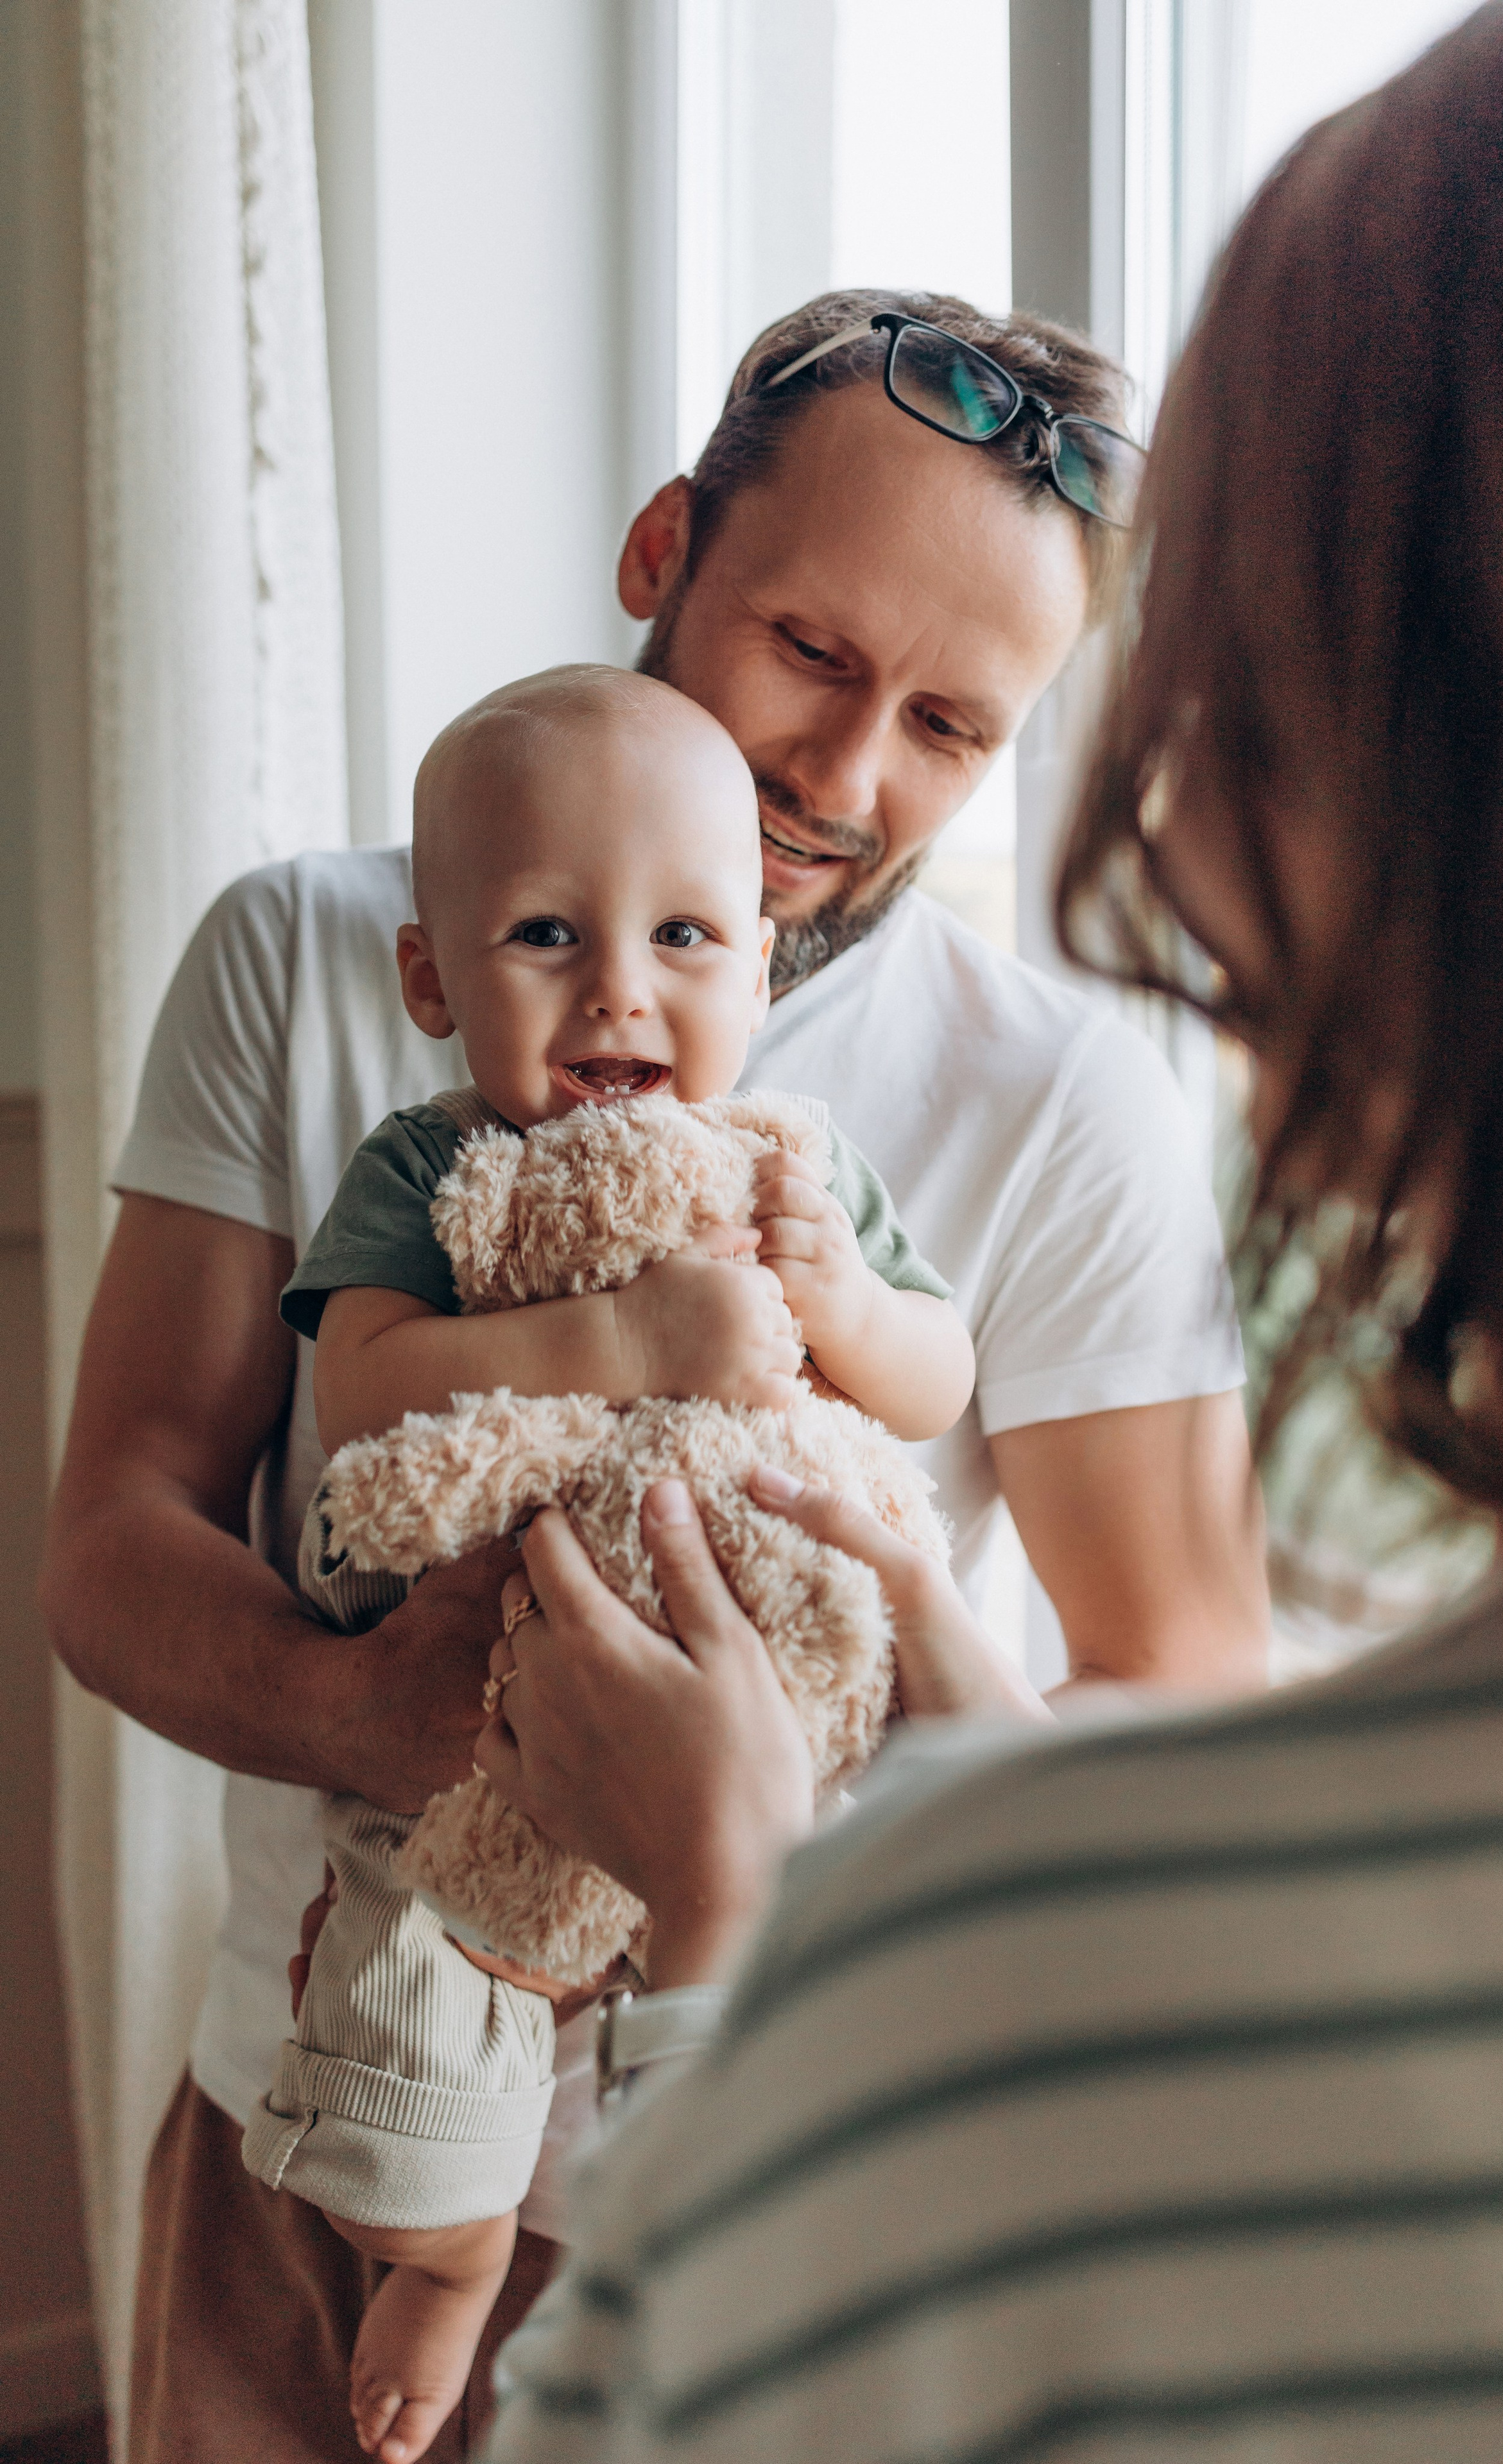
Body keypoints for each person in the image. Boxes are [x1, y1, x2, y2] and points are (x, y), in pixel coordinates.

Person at [472, 5, 1503, 2455]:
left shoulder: (1019, 1992)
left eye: (1245, 706)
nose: (1176, 850)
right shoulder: (321, 952)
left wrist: (753, 1924)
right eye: (812, 653)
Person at [41, 288, 1262, 2461]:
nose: (847, 776)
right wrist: (368, 1711)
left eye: (950, 724)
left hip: (787, 2182)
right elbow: (111, 1541)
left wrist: (766, 1826)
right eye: (812, 650)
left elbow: (1176, 1698)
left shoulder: (1065, 1106)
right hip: (318, 2135)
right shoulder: (300, 957)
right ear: (662, 548)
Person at [248, 662, 970, 2464]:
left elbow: (936, 1383)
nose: (621, 990)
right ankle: (450, 2250)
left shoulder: (797, 1166)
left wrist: (846, 1305)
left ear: (762, 969)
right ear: (432, 977)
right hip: (489, 1715)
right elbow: (365, 1386)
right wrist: (627, 1342)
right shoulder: (431, 1164)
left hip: (745, 1723)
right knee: (415, 1980)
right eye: (547, 935)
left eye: (685, 937)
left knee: (804, 2005)